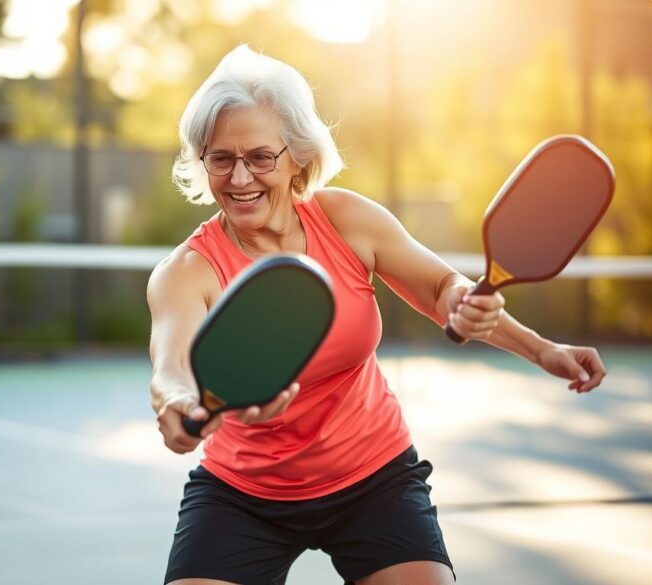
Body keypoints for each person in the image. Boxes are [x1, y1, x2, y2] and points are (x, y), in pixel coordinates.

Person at [147, 46, 606, 585]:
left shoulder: (348, 221)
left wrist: (542, 349)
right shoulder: (186, 271)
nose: (239, 176)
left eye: (260, 157)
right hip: (243, 495)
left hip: (373, 479)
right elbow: (171, 365)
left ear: (297, 155)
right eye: (220, 158)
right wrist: (177, 403)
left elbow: (442, 288)